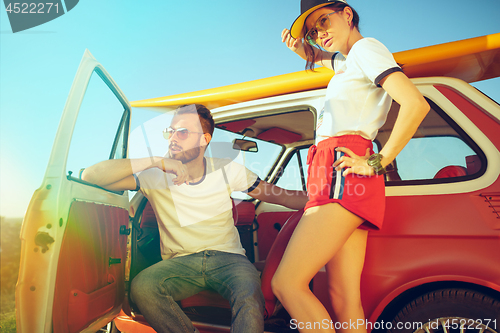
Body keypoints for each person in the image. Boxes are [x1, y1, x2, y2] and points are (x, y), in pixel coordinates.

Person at [272, 0, 430, 332]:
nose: (320, 33)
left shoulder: (365, 50)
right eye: (314, 30)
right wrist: (303, 48)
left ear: (347, 13)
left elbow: (416, 104)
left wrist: (376, 162)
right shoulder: (348, 62)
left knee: (286, 284)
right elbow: (324, 58)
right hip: (338, 173)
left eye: (324, 20)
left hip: (342, 171)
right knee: (343, 297)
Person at [82, 104, 309, 333]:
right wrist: (153, 161)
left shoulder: (227, 169)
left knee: (249, 291)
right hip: (181, 262)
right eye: (170, 131)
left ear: (204, 139)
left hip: (229, 259)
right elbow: (90, 176)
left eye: (182, 132)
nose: (173, 138)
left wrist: (328, 201)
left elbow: (282, 196)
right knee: (143, 286)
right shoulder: (153, 176)